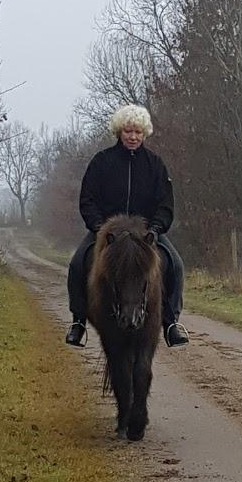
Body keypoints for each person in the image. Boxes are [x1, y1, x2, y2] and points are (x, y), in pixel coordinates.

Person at [65, 103, 189, 348]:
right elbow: (87, 199)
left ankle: (171, 322)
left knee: (176, 265)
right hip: (106, 233)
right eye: (128, 131)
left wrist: (155, 229)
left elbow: (165, 203)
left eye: (138, 132)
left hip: (145, 234)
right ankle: (78, 321)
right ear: (119, 132)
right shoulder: (101, 162)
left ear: (145, 134)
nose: (133, 137)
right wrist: (100, 227)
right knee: (77, 264)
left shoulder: (155, 165)